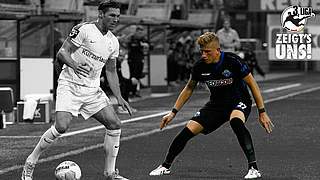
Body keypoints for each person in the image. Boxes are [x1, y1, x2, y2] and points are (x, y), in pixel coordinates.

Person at [21, 1, 132, 180]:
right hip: (70, 85)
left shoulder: (113, 41)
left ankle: (110, 173)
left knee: (115, 125)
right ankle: (30, 162)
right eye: (112, 15)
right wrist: (74, 65)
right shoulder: (84, 29)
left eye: (118, 16)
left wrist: (119, 96)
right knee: (61, 127)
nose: (116, 19)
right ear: (101, 14)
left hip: (92, 90)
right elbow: (62, 52)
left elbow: (110, 70)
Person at [149, 32, 274, 179]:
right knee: (187, 131)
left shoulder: (233, 61)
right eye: (201, 51)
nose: (203, 55)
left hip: (239, 100)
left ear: (217, 50)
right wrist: (173, 113)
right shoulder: (200, 66)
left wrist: (262, 112)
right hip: (216, 104)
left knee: (236, 122)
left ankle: (253, 168)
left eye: (207, 52)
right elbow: (189, 88)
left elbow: (252, 84)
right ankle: (165, 166)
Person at [127, 25, 148, 97]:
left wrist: (145, 45)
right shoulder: (132, 38)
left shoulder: (143, 39)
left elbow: (150, 46)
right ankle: (130, 91)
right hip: (132, 59)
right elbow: (131, 45)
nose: (140, 33)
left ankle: (135, 91)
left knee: (138, 75)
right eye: (139, 31)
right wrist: (141, 45)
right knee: (132, 75)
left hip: (140, 59)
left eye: (141, 31)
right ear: (136, 31)